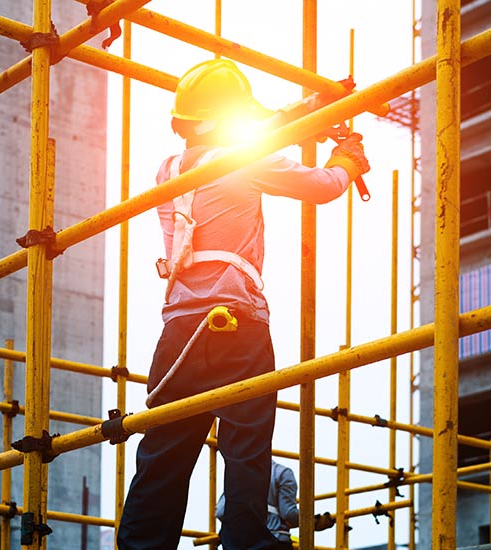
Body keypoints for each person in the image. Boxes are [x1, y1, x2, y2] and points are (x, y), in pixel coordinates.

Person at [117, 58, 370, 550]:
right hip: (238, 321)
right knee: (246, 443)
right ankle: (247, 543)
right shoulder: (246, 159)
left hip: (179, 330)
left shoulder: (168, 170)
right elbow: (322, 187)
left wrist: (312, 107)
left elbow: (259, 134)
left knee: (164, 448)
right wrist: (346, 161)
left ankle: (141, 546)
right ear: (220, 119)